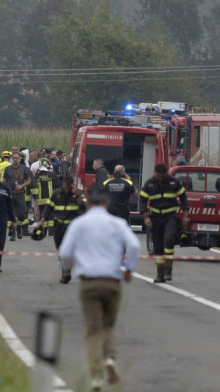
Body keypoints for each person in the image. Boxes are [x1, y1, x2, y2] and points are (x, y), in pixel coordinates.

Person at [58, 190, 139, 391]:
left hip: (89, 283)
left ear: (88, 204)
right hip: (112, 282)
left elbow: (65, 253)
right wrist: (129, 269)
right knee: (108, 326)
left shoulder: (79, 224)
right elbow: (135, 246)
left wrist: (69, 267)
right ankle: (110, 359)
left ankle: (96, 376)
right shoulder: (118, 224)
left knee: (93, 329)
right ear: (107, 203)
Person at [140, 163, 189, 283]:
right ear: (155, 173)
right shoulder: (150, 183)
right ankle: (160, 274)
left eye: (162, 176)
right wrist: (145, 217)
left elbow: (183, 197)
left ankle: (168, 270)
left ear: (165, 173)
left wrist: (186, 215)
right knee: (157, 247)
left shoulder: (174, 182)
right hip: (156, 218)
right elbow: (142, 200)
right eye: (158, 175)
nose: (160, 178)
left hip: (170, 217)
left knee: (169, 241)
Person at [38, 176, 86, 283]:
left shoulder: (77, 194)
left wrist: (76, 195)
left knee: (68, 250)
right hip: (58, 226)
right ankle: (66, 269)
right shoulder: (56, 193)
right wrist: (43, 219)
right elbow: (48, 208)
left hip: (71, 228)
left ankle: (66, 271)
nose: (66, 188)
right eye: (64, 186)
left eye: (68, 186)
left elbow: (84, 207)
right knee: (60, 249)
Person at [2, 152, 32, 240]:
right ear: (12, 159)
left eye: (17, 158)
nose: (15, 160)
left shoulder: (24, 169)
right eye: (14, 158)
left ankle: (19, 228)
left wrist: (22, 185)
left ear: (19, 159)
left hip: (20, 194)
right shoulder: (7, 169)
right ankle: (12, 233)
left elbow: (29, 181)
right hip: (10, 194)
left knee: (21, 214)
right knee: (11, 214)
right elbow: (4, 180)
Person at [31, 159, 58, 230]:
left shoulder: (37, 176)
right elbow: (57, 186)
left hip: (40, 200)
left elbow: (34, 187)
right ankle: (51, 232)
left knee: (43, 215)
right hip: (50, 200)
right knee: (51, 215)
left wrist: (35, 197)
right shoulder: (52, 175)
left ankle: (44, 230)